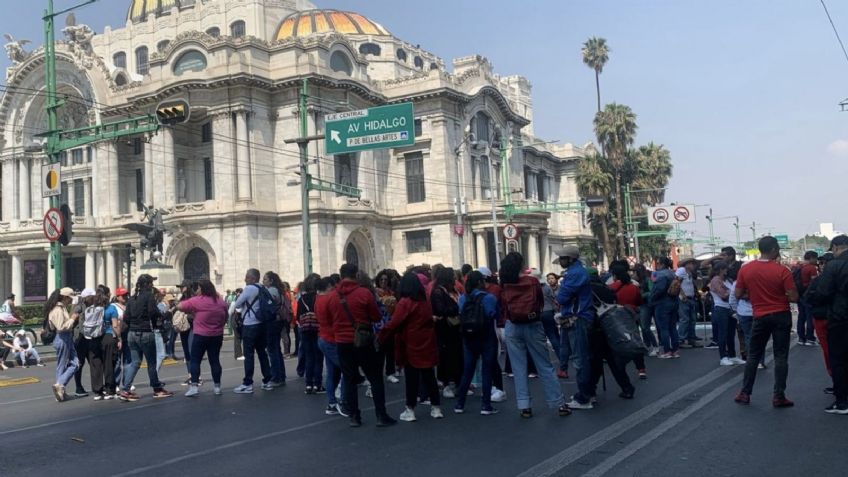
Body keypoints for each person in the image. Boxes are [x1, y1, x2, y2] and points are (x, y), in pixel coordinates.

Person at [501, 252, 570, 418]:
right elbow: (539, 302)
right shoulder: (532, 281)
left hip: (512, 325)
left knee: (518, 368)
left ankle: (524, 406)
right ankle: (559, 403)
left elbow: (503, 306)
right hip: (532, 324)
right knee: (544, 365)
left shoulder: (504, 284)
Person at [326, 263, 396, 427]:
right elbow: (376, 316)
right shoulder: (364, 293)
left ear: (341, 275)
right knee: (375, 378)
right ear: (356, 274)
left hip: (342, 342)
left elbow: (329, 320)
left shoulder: (332, 296)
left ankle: (354, 416)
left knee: (349, 379)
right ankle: (381, 415)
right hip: (363, 340)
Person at [734, 236, 798, 408]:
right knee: (781, 356)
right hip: (781, 315)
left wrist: (755, 295)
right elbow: (793, 297)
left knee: (753, 355)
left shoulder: (746, 270)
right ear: (774, 250)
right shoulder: (782, 271)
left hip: (760, 316)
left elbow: (738, 294)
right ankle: (779, 396)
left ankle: (745, 393)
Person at [379, 272, 443, 421]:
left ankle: (410, 408)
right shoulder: (424, 301)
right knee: (429, 376)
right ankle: (436, 407)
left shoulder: (405, 302)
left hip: (411, 342)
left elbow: (395, 323)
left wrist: (382, 335)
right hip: (426, 341)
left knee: (412, 378)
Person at [808, 235, 848, 414]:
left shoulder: (835, 266)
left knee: (838, 359)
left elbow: (822, 293)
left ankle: (842, 402)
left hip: (840, 317)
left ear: (837, 247)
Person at [120, 274, 174, 401]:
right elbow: (153, 312)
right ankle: (157, 388)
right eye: (151, 282)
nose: (152, 285)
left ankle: (126, 389)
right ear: (148, 284)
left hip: (132, 333)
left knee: (135, 362)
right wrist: (163, 315)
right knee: (151, 362)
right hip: (145, 332)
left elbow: (126, 317)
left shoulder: (132, 298)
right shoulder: (148, 296)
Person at [453, 270, 500, 415]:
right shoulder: (489, 298)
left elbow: (460, 313)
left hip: (468, 337)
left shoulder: (463, 299)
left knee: (467, 370)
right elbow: (494, 314)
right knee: (487, 370)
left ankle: (460, 403)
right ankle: (486, 405)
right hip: (486, 336)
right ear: (480, 282)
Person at [178, 279, 229, 397]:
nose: (197, 290)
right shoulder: (220, 301)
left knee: (195, 360)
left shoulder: (197, 301)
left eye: (199, 288)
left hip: (201, 335)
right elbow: (225, 316)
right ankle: (217, 387)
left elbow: (180, 306)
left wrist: (193, 310)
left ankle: (194, 386)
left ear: (202, 289)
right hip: (216, 335)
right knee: (214, 360)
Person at [232, 269, 274, 393]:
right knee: (262, 353)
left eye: (247, 277)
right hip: (262, 325)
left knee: (249, 355)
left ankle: (248, 383)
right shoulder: (262, 288)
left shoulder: (249, 289)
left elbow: (237, 304)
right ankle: (267, 381)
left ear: (253, 278)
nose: (245, 280)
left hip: (250, 325)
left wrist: (243, 301)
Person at [608, 265, 647, 380]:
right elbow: (639, 301)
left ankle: (621, 368)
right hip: (632, 316)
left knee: (619, 342)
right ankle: (641, 369)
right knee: (635, 341)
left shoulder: (611, 287)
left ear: (614, 276)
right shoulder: (633, 287)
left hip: (617, 317)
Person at [430, 267, 463, 399]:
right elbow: (440, 309)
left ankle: (457, 381)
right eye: (452, 277)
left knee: (456, 355)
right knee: (445, 356)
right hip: (444, 328)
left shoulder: (452, 290)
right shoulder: (438, 292)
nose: (454, 279)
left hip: (455, 328)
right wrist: (456, 308)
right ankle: (446, 384)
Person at [316, 276, 346, 415]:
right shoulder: (330, 298)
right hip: (331, 339)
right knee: (347, 369)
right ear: (328, 286)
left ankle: (332, 402)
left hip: (323, 337)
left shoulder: (318, 299)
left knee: (331, 372)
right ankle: (342, 400)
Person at [47, 288, 79, 401]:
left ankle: (61, 391)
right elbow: (61, 327)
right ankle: (60, 385)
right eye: (70, 298)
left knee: (63, 365)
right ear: (65, 297)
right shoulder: (57, 310)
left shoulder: (61, 308)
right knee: (74, 363)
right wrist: (72, 319)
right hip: (62, 337)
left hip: (65, 337)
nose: (71, 301)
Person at [709, 262, 743, 366]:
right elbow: (723, 295)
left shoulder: (728, 280)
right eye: (725, 269)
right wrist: (731, 293)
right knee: (722, 333)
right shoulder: (715, 280)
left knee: (731, 333)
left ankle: (732, 355)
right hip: (721, 308)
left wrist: (731, 293)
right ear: (720, 270)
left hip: (730, 308)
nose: (726, 271)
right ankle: (723, 356)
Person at [297, 273, 324, 393]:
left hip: (306, 329)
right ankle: (318, 384)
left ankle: (308, 384)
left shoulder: (301, 299)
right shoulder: (319, 297)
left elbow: (298, 316)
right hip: (318, 329)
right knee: (318, 357)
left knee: (308, 356)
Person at [651, 257, 680, 359]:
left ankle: (667, 351)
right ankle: (675, 351)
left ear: (662, 264)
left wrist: (652, 298)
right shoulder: (673, 273)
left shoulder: (660, 274)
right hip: (674, 301)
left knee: (664, 328)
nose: (657, 265)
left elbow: (659, 289)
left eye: (658, 263)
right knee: (673, 327)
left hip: (662, 303)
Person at [263, 271, 288, 387]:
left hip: (272, 322)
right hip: (280, 321)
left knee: (272, 350)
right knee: (276, 349)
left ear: (271, 281)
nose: (263, 282)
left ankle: (276, 377)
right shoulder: (281, 291)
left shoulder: (271, 291)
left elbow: (267, 306)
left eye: (265, 279)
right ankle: (281, 375)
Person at [71, 288, 96, 397]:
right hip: (80, 339)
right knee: (80, 364)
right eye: (92, 297)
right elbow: (72, 321)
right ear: (87, 297)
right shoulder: (79, 307)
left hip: (90, 338)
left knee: (94, 362)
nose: (94, 298)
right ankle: (78, 387)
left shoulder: (92, 306)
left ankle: (97, 386)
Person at [634, 264, 659, 356]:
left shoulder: (647, 280)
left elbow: (651, 291)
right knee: (643, 328)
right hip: (641, 305)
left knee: (645, 327)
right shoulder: (637, 281)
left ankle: (655, 346)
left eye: (634, 271)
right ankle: (648, 346)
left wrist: (642, 295)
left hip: (646, 305)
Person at [676, 258, 702, 347]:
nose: (693, 266)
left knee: (692, 320)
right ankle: (681, 340)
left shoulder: (689, 273)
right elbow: (677, 282)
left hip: (690, 298)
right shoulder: (681, 270)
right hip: (684, 298)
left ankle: (691, 339)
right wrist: (682, 295)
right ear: (686, 264)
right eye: (691, 263)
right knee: (685, 319)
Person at [797, 251, 820, 346]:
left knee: (801, 317)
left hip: (800, 294)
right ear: (811, 258)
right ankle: (810, 338)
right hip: (808, 295)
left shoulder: (799, 267)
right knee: (810, 317)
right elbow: (815, 283)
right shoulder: (811, 268)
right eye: (815, 258)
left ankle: (801, 338)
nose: (816, 260)